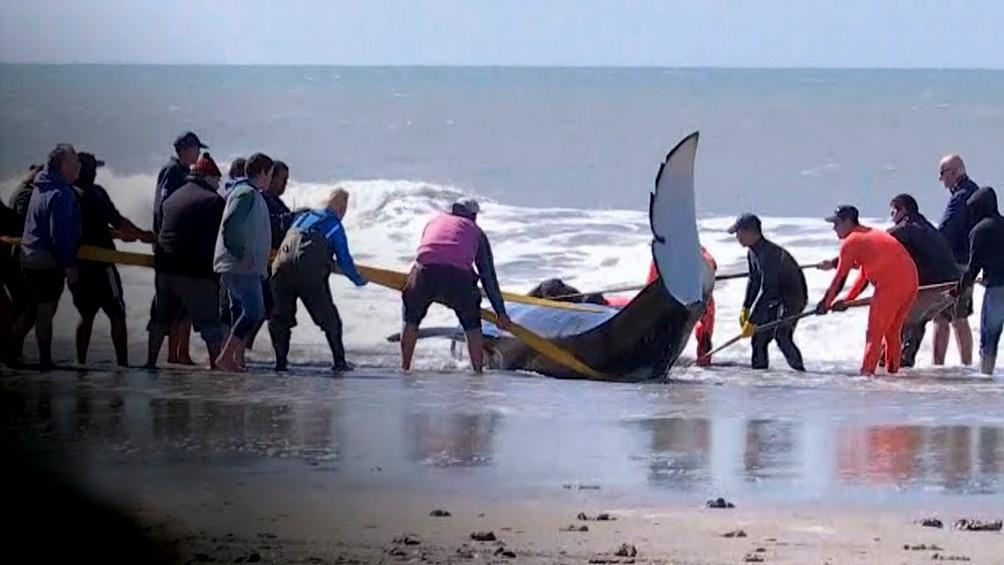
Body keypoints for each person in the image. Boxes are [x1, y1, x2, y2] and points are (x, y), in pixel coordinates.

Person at [400, 199, 511, 373]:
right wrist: (501, 313)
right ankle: (477, 372)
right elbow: (488, 276)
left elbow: (427, 253)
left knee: (411, 319)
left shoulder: (434, 222)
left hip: (425, 273)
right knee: (472, 325)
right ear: (473, 216)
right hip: (458, 278)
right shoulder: (476, 231)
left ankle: (405, 367)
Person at [68, 152, 155, 367]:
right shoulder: (96, 194)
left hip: (77, 264)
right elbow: (118, 221)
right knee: (117, 313)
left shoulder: (67, 194)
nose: (97, 172)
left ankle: (81, 362)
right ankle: (123, 365)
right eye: (95, 169)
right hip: (103, 264)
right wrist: (143, 235)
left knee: (86, 315)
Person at [268, 188, 368, 372]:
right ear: (342, 207)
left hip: (280, 268)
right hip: (308, 274)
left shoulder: (303, 218)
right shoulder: (334, 224)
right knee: (330, 320)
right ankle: (340, 362)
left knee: (280, 318)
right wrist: (359, 279)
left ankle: (280, 363)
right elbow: (344, 260)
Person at [147, 153, 227, 369]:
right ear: (207, 177)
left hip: (164, 270)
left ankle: (150, 363)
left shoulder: (173, 198)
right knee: (211, 326)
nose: (219, 185)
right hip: (195, 273)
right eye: (217, 180)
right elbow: (221, 238)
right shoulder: (213, 201)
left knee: (160, 320)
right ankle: (216, 367)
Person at [816, 206, 918, 375]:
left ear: (848, 222)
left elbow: (840, 278)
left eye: (836, 223)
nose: (834, 228)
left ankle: (866, 376)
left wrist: (825, 303)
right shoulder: (869, 235)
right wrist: (848, 300)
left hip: (891, 286)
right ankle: (893, 375)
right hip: (911, 282)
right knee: (892, 332)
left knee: (874, 335)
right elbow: (864, 275)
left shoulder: (851, 241)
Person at [5, 144, 81, 369]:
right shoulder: (61, 193)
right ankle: (44, 361)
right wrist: (69, 264)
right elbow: (59, 233)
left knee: (31, 310)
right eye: (74, 160)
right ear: (63, 164)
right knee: (45, 311)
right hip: (46, 261)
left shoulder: (40, 186)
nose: (78, 165)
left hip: (27, 257)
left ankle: (8, 353)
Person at [213, 152, 273, 372]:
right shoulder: (246, 194)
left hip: (239, 265)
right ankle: (226, 356)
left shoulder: (247, 192)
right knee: (255, 311)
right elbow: (231, 226)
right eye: (270, 174)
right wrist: (242, 254)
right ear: (263, 172)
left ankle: (236, 358)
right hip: (241, 266)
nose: (270, 180)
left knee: (239, 310)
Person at [886, 194, 961, 367]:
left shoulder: (907, 227)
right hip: (953, 284)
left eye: (892, 212)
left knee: (906, 318)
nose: (891, 217)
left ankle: (899, 359)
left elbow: (877, 243)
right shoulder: (926, 226)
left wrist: (841, 261)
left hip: (935, 285)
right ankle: (905, 358)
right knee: (918, 319)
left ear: (902, 210)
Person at [155, 131, 208, 365]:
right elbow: (163, 208)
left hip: (174, 248)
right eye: (196, 149)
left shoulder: (179, 171)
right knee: (175, 307)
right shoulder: (174, 172)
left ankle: (179, 353)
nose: (198, 154)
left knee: (179, 307)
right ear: (186, 150)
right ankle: (175, 355)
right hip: (174, 249)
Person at [728, 214, 806, 371]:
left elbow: (767, 290)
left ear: (751, 232)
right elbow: (754, 282)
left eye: (739, 233)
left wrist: (752, 320)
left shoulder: (769, 253)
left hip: (793, 298)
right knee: (758, 339)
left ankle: (800, 374)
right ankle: (761, 380)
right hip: (775, 298)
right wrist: (746, 308)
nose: (737, 237)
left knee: (782, 335)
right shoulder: (752, 252)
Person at [245, 160, 295, 350]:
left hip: (272, 266)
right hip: (262, 266)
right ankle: (241, 347)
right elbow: (271, 227)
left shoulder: (276, 202)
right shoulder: (262, 199)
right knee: (264, 311)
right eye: (283, 179)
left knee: (266, 311)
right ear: (271, 177)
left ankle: (244, 347)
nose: (285, 184)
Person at [935, 154, 978, 365]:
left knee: (948, 317)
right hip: (967, 263)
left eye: (942, 174)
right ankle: (964, 365)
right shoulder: (972, 191)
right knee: (954, 317)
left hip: (955, 265)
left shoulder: (962, 195)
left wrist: (926, 244)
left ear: (955, 171)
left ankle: (943, 366)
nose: (940, 180)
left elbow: (945, 230)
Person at [957, 187, 1004, 375]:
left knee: (989, 338)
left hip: (996, 290)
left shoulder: (979, 231)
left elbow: (973, 266)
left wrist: (959, 288)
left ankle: (986, 379)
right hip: (995, 282)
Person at [646, 246, 717, 365]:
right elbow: (650, 289)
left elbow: (711, 265)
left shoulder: (695, 250)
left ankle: (704, 362)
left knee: (705, 337)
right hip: (671, 299)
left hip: (699, 296)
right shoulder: (658, 259)